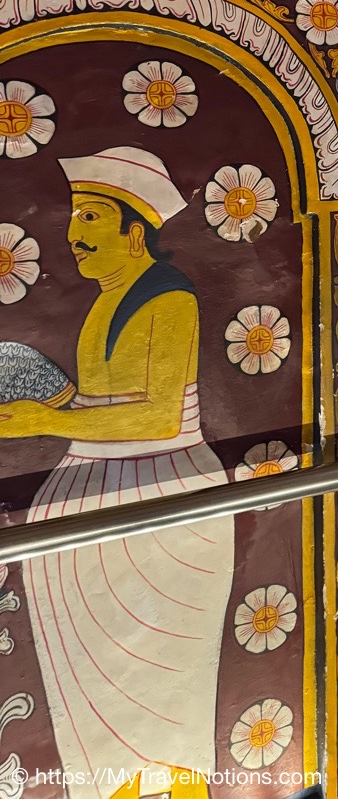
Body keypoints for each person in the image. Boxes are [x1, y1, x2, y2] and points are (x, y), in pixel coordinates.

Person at [0, 147, 233, 799]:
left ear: (135, 232)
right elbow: (106, 402)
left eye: (91, 218)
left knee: (167, 694)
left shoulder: (170, 298)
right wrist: (53, 404)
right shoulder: (109, 299)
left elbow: (158, 417)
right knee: (98, 710)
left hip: (162, 494)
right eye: (75, 218)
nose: (74, 234)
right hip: (95, 501)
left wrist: (46, 421)